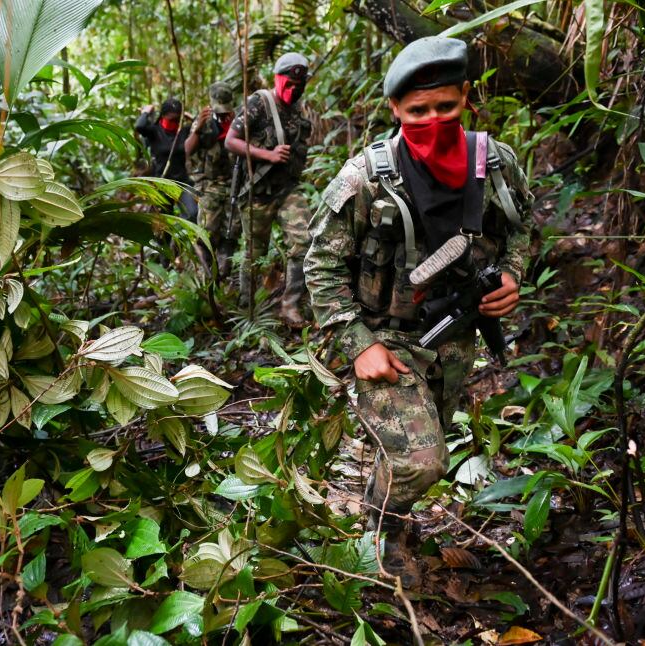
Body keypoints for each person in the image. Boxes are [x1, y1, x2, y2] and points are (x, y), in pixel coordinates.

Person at [304, 37, 533, 587]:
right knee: (421, 461)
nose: (433, 120)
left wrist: (512, 276)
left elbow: (522, 229)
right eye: (417, 111)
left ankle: (398, 528)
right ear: (394, 111)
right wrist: (358, 344)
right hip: (384, 334)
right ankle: (378, 537)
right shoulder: (365, 179)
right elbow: (319, 266)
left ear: (466, 98)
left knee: (428, 444)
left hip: (454, 336)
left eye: (445, 107)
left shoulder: (496, 164)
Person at [224, 52, 313, 327]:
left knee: (303, 241)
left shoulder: (298, 110)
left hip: (287, 190)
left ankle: (290, 305)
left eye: (300, 84)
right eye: (290, 83)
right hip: (257, 193)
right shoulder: (259, 103)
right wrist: (268, 155)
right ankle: (248, 309)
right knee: (254, 253)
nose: (294, 89)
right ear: (278, 78)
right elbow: (231, 140)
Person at [185, 82, 238, 276]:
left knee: (231, 233)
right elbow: (187, 149)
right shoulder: (204, 122)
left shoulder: (238, 120)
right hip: (210, 186)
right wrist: (198, 128)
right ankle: (205, 276)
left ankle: (223, 275)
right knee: (206, 234)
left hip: (234, 186)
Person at [135, 98, 198, 221]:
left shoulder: (184, 131)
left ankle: (181, 239)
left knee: (192, 214)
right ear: (163, 116)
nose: (175, 122)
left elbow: (201, 126)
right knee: (163, 223)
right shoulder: (154, 131)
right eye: (171, 119)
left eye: (177, 119)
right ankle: (168, 240)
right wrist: (146, 112)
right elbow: (139, 126)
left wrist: (189, 116)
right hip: (161, 183)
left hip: (182, 182)